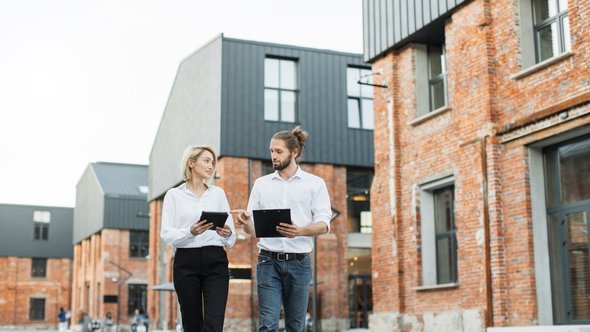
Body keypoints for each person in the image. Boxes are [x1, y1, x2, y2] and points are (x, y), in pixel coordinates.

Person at [234, 127, 332, 332]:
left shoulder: (315, 184)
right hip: (268, 261)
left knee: (296, 326)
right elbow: (251, 229)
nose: (273, 156)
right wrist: (244, 221)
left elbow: (324, 224)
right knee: (267, 325)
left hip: (299, 262)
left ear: (294, 152)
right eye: (271, 151)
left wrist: (300, 231)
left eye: (278, 151)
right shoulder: (262, 184)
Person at [160, 145, 236, 332]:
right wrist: (190, 232)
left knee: (214, 322)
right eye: (206, 161)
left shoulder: (218, 194)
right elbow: (166, 234)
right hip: (186, 261)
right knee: (192, 322)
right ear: (191, 163)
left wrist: (227, 233)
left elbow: (231, 236)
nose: (211, 166)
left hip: (215, 259)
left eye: (213, 162)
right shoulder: (174, 195)